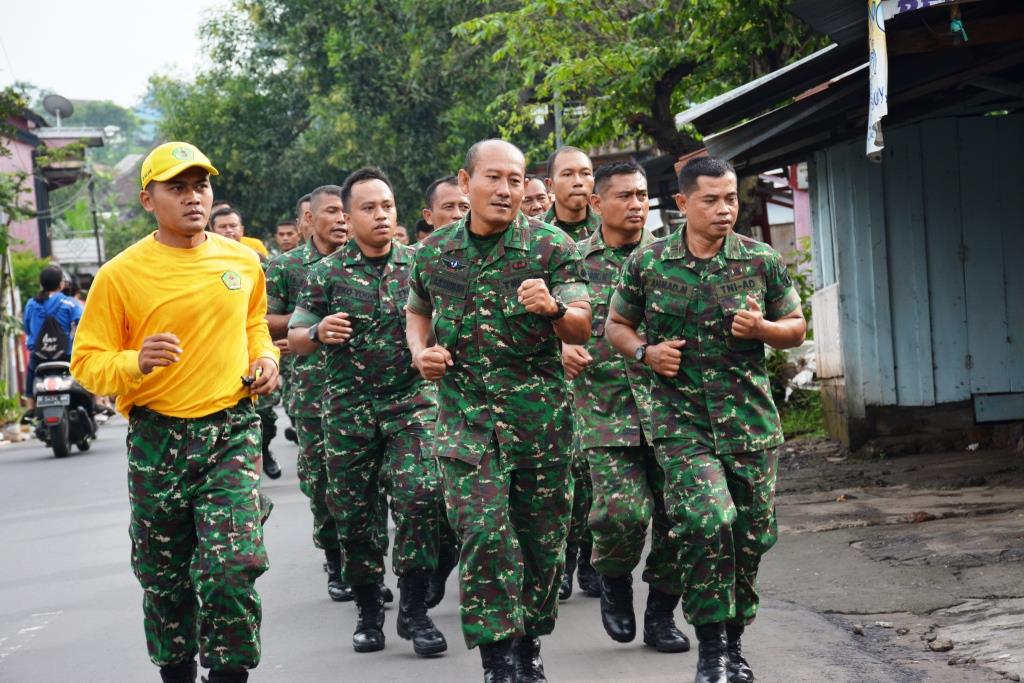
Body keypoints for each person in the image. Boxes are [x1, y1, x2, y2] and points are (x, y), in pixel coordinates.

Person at [70, 141, 280, 683]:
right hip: (157, 440)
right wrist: (134, 361)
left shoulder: (242, 260)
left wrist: (265, 358)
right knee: (165, 580)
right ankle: (177, 670)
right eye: (178, 188)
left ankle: (229, 673)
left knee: (232, 567)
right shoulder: (120, 275)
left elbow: (254, 322)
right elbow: (87, 363)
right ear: (148, 200)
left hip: (230, 430)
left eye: (201, 186)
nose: (193, 198)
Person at [605, 156, 806, 683]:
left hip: (749, 427)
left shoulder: (760, 260)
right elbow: (616, 325)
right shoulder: (649, 263)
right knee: (706, 521)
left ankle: (734, 646)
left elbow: (795, 325)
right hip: (681, 425)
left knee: (750, 539)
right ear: (682, 203)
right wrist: (646, 352)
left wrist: (763, 329)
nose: (724, 210)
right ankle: (712, 651)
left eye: (731, 198)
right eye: (711, 200)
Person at [406, 139, 592, 683]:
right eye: (494, 177)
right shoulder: (435, 252)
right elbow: (418, 311)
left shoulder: (551, 247)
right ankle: (497, 660)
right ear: (465, 184)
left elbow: (583, 324)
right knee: (484, 536)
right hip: (466, 425)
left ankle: (528, 644)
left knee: (540, 545)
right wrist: (421, 353)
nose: (506, 189)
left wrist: (554, 308)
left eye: (515, 179)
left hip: (540, 426)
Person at [289, 168, 449, 658]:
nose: (381, 215)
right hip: (348, 411)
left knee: (421, 496)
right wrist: (318, 332)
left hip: (411, 405)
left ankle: (415, 610)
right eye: (368, 208)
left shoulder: (421, 264)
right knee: (355, 515)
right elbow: (295, 337)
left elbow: (446, 324)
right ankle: (367, 609)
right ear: (348, 215)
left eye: (387, 206)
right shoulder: (326, 273)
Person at [562, 161, 689, 654]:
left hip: (672, 411)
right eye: (625, 196)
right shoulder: (570, 261)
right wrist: (560, 347)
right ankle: (613, 577)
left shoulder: (672, 257)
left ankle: (660, 613)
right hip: (604, 410)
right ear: (597, 204)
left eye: (642, 196)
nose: (637, 205)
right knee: (620, 514)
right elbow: (540, 326)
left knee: (680, 517)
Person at [265, 185, 352, 602]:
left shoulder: (370, 260)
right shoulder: (287, 266)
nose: (341, 219)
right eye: (331, 211)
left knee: (369, 484)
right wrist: (309, 322)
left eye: (345, 211)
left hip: (366, 388)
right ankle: (335, 559)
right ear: (310, 219)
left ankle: (363, 563)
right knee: (322, 482)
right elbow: (264, 320)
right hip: (313, 392)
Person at [22, 265, 82, 412]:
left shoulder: (31, 304)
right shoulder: (70, 303)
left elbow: (27, 329)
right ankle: (95, 401)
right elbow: (82, 324)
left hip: (39, 357)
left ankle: (30, 408)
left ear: (41, 284)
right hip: (66, 355)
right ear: (61, 284)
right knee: (84, 367)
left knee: (31, 372)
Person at [543, 146, 601, 241]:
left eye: (585, 173)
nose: (578, 182)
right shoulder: (531, 232)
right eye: (567, 174)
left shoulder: (610, 228)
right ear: (550, 185)